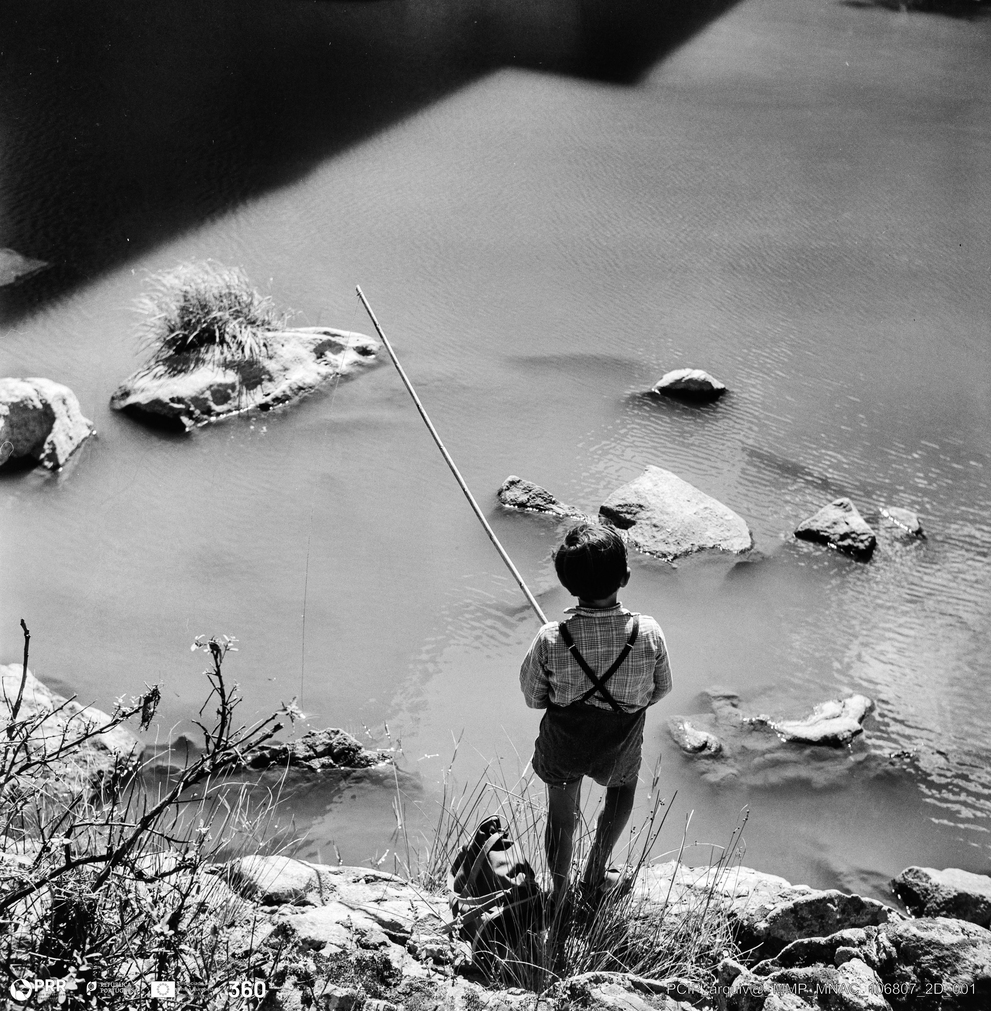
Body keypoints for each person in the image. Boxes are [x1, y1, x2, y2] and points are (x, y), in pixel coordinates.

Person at [519, 521, 672, 913]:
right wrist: (625, 702)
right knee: (621, 791)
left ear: (567, 584)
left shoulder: (551, 637)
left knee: (560, 816)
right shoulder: (648, 632)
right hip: (620, 743)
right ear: (626, 576)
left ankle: (558, 894)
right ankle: (595, 875)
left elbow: (534, 698)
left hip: (563, 743)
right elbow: (661, 689)